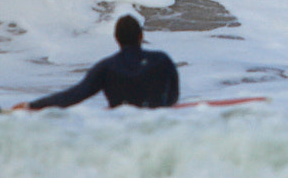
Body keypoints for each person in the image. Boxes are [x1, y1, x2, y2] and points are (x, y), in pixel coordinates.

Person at [9, 14, 179, 110]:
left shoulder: (107, 67)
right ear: (141, 36)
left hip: (124, 128)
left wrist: (31, 105)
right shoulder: (162, 61)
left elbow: (73, 96)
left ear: (116, 39)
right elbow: (173, 97)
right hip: (158, 126)